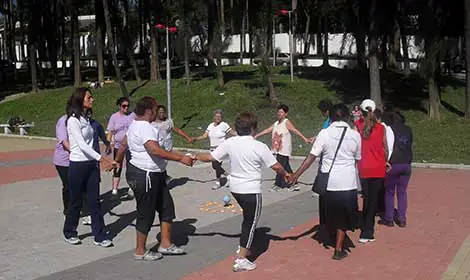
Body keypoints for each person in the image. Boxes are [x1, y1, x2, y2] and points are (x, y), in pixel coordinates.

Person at [195, 112, 291, 272]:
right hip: (251, 191)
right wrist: (286, 175)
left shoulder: (230, 142)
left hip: (235, 189)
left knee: (247, 219)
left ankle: (243, 246)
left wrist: (194, 156)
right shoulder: (259, 146)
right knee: (250, 223)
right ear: (253, 128)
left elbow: (211, 157)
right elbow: (276, 166)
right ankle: (241, 259)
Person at [114, 96, 195, 261]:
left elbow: (123, 145)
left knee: (166, 207)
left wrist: (117, 161)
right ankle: (140, 250)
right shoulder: (146, 127)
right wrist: (181, 158)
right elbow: (155, 150)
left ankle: (165, 244)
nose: (158, 111)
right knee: (146, 212)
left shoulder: (134, 125)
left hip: (152, 174)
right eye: (156, 108)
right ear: (149, 110)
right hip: (146, 175)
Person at [288, 104, 361, 260]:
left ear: (331, 117)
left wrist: (296, 175)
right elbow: (357, 159)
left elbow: (311, 157)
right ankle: (339, 248)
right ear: (347, 117)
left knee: (330, 212)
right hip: (348, 182)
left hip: (330, 182)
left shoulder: (324, 133)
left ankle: (330, 236)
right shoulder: (355, 135)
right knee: (343, 217)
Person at [63, 87, 115, 247]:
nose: (92, 100)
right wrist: (102, 159)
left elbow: (92, 142)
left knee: (94, 201)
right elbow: (81, 145)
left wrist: (101, 157)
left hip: (91, 166)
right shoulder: (73, 120)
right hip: (77, 165)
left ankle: (99, 235)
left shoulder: (87, 120)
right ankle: (69, 231)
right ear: (80, 100)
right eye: (89, 98)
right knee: (76, 202)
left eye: (91, 98)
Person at [355, 99, 388, 244]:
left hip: (364, 167)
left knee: (366, 198)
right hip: (378, 167)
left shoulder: (358, 126)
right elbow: (385, 147)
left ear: (361, 112)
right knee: (373, 200)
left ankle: (365, 228)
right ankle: (368, 230)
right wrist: (385, 160)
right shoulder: (381, 128)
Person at [255, 104, 310, 191]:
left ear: (285, 114)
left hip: (284, 149)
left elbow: (295, 130)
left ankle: (277, 185)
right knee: (286, 167)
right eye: (278, 112)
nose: (279, 113)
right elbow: (267, 130)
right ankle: (294, 184)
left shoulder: (286, 122)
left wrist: (305, 139)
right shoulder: (276, 123)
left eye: (281, 112)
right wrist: (257, 135)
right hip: (277, 149)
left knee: (279, 167)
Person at [380, 111, 413, 228]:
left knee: (389, 192)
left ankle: (389, 218)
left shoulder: (388, 129)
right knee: (402, 192)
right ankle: (402, 218)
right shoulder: (408, 130)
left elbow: (385, 146)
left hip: (393, 163)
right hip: (406, 163)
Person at [192, 109, 237, 190]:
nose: (218, 118)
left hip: (221, 149)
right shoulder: (210, 125)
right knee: (215, 166)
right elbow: (205, 136)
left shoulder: (224, 125)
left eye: (219, 116)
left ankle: (218, 182)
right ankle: (229, 177)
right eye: (216, 116)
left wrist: (243, 135)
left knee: (216, 165)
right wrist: (195, 138)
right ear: (213, 117)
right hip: (213, 150)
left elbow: (232, 133)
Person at [151, 105, 193, 183]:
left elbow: (177, 130)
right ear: (156, 113)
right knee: (156, 163)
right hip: (156, 146)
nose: (162, 114)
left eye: (163, 112)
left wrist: (187, 137)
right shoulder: (151, 123)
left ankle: (163, 178)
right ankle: (163, 177)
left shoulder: (168, 122)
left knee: (163, 163)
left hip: (167, 147)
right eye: (160, 112)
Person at [107, 97, 135, 197]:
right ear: (119, 106)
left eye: (128, 106)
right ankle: (115, 189)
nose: (126, 108)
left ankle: (131, 187)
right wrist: (108, 144)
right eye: (124, 106)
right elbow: (110, 131)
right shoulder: (114, 117)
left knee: (131, 167)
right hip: (118, 146)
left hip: (130, 146)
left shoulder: (133, 115)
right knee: (117, 166)